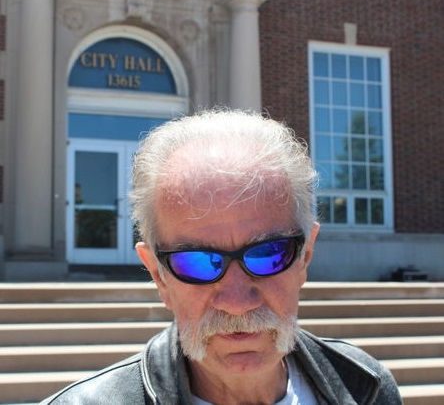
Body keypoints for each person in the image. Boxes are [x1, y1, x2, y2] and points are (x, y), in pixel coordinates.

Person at [41, 109, 402, 404]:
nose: (236, 303)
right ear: (158, 276)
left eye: (268, 254)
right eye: (196, 261)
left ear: (305, 255)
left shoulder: (366, 388)